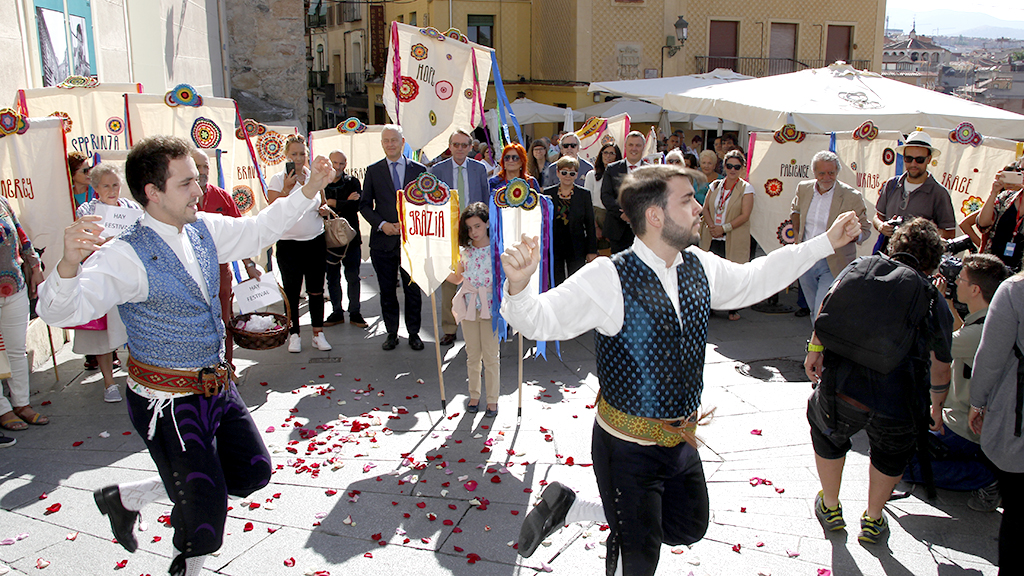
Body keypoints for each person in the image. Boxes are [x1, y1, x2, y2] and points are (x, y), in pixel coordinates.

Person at [503, 164, 861, 576]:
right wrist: (520, 287)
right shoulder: (608, 276)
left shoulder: (699, 265)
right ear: (655, 216)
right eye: (688, 200)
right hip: (625, 449)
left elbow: (755, 277)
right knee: (640, 558)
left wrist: (825, 242)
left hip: (682, 439)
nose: (698, 209)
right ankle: (621, 528)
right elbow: (540, 320)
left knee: (688, 527)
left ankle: (576, 505)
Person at [37, 136, 335, 576]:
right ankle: (188, 556)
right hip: (166, 401)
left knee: (253, 472)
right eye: (186, 183)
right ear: (152, 192)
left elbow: (258, 229)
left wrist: (308, 191)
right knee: (205, 527)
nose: (198, 191)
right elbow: (61, 309)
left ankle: (130, 497)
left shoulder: (203, 228)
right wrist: (66, 268)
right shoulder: (124, 256)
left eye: (196, 180)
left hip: (217, 386)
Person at [805, 218, 953, 546]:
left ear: (895, 245)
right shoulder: (932, 297)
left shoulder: (862, 267)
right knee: (889, 456)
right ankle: (873, 519)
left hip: (843, 387)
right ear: (932, 261)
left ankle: (830, 506)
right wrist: (937, 405)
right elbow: (941, 364)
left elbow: (829, 306)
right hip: (899, 398)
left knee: (827, 436)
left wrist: (814, 349)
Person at [902, 254, 1008, 507]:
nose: (954, 283)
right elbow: (958, 332)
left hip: (963, 426)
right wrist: (946, 303)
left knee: (901, 464)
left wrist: (930, 302)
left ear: (974, 289)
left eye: (959, 279)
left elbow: (931, 343)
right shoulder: (990, 321)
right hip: (970, 422)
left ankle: (984, 477)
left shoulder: (979, 333)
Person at [72, 164, 143, 403]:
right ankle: (109, 382)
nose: (112, 190)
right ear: (95, 188)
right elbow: (84, 243)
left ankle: (137, 376)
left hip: (129, 275)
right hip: (101, 276)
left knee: (135, 328)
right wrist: (107, 242)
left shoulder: (132, 208)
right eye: (106, 185)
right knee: (103, 333)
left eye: (115, 184)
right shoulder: (87, 210)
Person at [969, 269, 1024, 576]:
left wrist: (978, 402)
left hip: (1019, 419)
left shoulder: (1015, 291)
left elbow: (990, 356)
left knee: (1016, 515)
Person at [360, 125, 426, 351]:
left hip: (412, 242)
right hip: (383, 242)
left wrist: (413, 225)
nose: (390, 144)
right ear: (382, 144)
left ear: (403, 141)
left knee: (412, 291)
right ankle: (391, 333)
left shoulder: (419, 170)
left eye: (394, 140)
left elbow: (427, 204)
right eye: (386, 140)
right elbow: (364, 205)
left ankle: (414, 333)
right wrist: (382, 225)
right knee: (387, 290)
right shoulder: (373, 171)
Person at [192, 150, 260, 367]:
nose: (202, 172)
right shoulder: (177, 199)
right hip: (190, 274)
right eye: (197, 167)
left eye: (205, 167)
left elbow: (239, 233)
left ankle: (226, 367)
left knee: (224, 321)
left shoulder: (222, 197)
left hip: (220, 272)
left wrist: (249, 264)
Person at [789, 151, 871, 323]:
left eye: (831, 173)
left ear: (837, 172)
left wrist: (854, 234)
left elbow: (865, 229)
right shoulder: (804, 188)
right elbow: (795, 210)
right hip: (807, 257)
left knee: (822, 309)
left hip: (834, 260)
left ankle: (820, 347)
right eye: (822, 173)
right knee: (813, 309)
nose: (827, 177)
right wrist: (797, 236)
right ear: (814, 173)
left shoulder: (851, 196)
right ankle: (817, 347)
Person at [267, 134, 331, 353]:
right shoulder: (277, 178)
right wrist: (286, 189)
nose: (298, 158)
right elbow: (272, 209)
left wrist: (323, 209)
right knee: (292, 292)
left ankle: (318, 333)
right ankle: (294, 334)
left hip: (314, 241)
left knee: (315, 290)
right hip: (288, 244)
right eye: (293, 154)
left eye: (302, 153)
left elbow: (322, 203)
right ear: (286, 155)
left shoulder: (314, 177)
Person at [431, 130, 490, 346]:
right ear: (450, 146)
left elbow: (484, 198)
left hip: (474, 232)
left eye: (464, 145)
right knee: (449, 281)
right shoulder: (437, 170)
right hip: (448, 233)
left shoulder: (479, 169)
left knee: (476, 276)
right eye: (456, 144)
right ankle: (449, 327)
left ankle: (477, 321)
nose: (460, 149)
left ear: (470, 147)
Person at [446, 203, 500, 417]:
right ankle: (474, 395)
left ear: (487, 223)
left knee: (491, 355)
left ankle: (493, 400)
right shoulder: (465, 250)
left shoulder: (497, 249)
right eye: (469, 228)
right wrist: (436, 271)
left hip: (491, 307)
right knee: (472, 354)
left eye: (477, 226)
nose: (474, 232)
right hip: (469, 306)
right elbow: (457, 278)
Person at [0, 196, 44, 431]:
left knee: (16, 350)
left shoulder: (1, 202)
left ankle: (21, 404)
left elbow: (20, 235)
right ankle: (2, 409)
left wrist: (34, 266)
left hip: (14, 285)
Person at [873, 131, 958, 251]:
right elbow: (877, 216)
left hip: (919, 260)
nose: (913, 164)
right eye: (909, 158)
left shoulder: (938, 193)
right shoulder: (891, 184)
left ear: (929, 160)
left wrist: (918, 234)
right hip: (887, 255)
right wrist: (882, 226)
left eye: (919, 159)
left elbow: (949, 233)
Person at [700, 149, 754, 321]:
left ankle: (732, 308)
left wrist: (724, 228)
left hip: (732, 236)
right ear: (724, 166)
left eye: (737, 167)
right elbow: (705, 207)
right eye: (729, 166)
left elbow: (745, 215)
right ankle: (711, 306)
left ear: (742, 168)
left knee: (732, 273)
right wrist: (711, 226)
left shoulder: (746, 188)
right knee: (711, 272)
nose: (732, 170)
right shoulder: (715, 185)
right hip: (712, 235)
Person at [322, 150, 366, 329]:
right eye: (334, 163)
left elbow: (355, 205)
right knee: (332, 277)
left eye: (341, 164)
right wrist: (343, 203)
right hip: (329, 240)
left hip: (350, 239)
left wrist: (332, 203)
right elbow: (318, 206)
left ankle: (355, 312)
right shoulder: (321, 184)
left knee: (352, 276)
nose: (337, 167)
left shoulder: (352, 182)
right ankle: (336, 311)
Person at [543, 156, 597, 285]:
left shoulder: (584, 194)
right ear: (558, 173)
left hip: (576, 244)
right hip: (555, 244)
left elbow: (590, 224)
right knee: (556, 281)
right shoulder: (548, 193)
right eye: (564, 172)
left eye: (572, 173)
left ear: (576, 175)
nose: (568, 176)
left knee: (577, 280)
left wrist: (592, 250)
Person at [601, 131, 647, 254]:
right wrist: (623, 213)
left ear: (643, 147)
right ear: (625, 146)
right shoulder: (612, 169)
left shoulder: (650, 171)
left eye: (638, 145)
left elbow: (653, 198)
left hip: (642, 229)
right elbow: (606, 196)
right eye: (631, 145)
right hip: (617, 228)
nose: (634, 148)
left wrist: (635, 215)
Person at [975, 165, 1024, 272]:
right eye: (1021, 170)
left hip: (1019, 277)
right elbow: (983, 224)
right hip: (991, 268)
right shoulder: (1006, 197)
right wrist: (993, 192)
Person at [583, 143, 621, 241]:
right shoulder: (592, 175)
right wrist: (595, 227)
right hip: (597, 217)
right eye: (605, 153)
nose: (608, 156)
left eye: (612, 153)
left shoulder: (621, 175)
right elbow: (587, 203)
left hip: (614, 219)